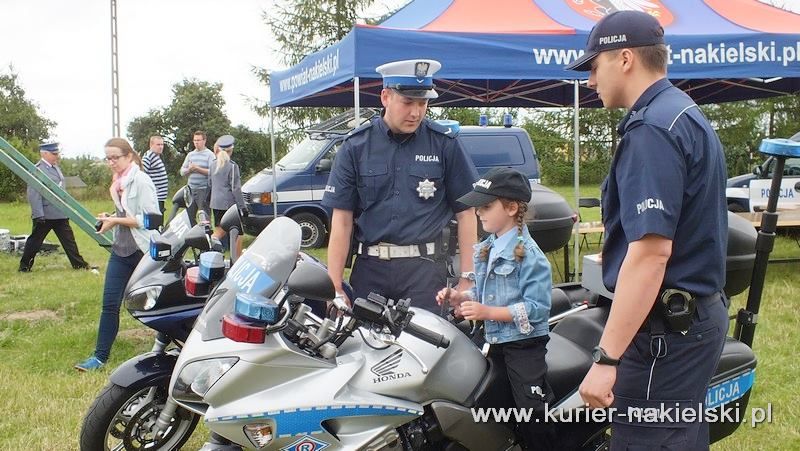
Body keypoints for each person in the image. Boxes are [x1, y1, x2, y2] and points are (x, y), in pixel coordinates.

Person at [565, 10, 729, 450]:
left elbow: (652, 252)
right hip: (693, 320)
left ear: (624, 58)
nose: (589, 81)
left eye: (593, 66)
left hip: (665, 335)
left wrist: (607, 358)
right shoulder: (683, 113)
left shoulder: (652, 129)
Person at [322, 59, 479, 313]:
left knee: (427, 350)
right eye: (408, 103)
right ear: (385, 97)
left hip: (424, 273)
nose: (416, 112)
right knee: (366, 348)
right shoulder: (355, 147)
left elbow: (466, 213)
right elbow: (341, 220)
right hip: (370, 272)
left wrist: (467, 279)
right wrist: (335, 286)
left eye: (423, 103)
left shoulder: (444, 144)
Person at [436, 167, 557, 450]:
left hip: (523, 345)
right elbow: (485, 291)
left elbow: (537, 308)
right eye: (478, 207)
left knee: (531, 409)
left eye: (486, 206)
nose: (479, 213)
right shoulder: (486, 248)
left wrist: (487, 313)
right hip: (492, 339)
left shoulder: (530, 255)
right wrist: (459, 297)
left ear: (512, 207)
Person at [75, 138, 160, 372]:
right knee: (109, 304)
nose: (111, 162)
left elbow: (152, 219)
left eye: (115, 157)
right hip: (121, 251)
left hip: (143, 252)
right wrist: (110, 220)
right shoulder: (118, 182)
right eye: (108, 158)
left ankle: (170, 351)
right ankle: (99, 357)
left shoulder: (142, 181)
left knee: (155, 304)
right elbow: (125, 212)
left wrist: (116, 219)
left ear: (129, 156)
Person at [19, 142, 91, 272]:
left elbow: (60, 189)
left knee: (69, 241)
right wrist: (39, 214)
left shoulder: (55, 167)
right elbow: (34, 194)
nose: (56, 156)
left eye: (57, 153)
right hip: (45, 214)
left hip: (60, 212)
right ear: (44, 154)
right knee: (35, 241)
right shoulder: (38, 169)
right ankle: (24, 266)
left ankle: (79, 265)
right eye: (54, 154)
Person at [209, 134, 247, 254]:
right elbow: (236, 188)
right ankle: (237, 258)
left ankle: (217, 251)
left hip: (215, 203)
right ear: (231, 150)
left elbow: (210, 184)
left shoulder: (212, 164)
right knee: (238, 232)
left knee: (220, 228)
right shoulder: (232, 166)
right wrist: (242, 207)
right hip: (228, 205)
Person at [179, 130, 215, 217]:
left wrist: (198, 169)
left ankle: (205, 230)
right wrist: (189, 170)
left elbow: (213, 172)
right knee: (189, 216)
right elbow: (182, 172)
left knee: (204, 215)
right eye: (195, 140)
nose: (196, 142)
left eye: (198, 140)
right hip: (190, 189)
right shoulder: (190, 155)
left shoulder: (210, 155)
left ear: (204, 141)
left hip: (204, 190)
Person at [142, 135, 169, 214]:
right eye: (158, 145)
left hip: (160, 197)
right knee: (155, 222)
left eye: (162, 145)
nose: (161, 147)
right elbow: (142, 175)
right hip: (154, 197)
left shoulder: (157, 156)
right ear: (151, 145)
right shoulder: (148, 157)